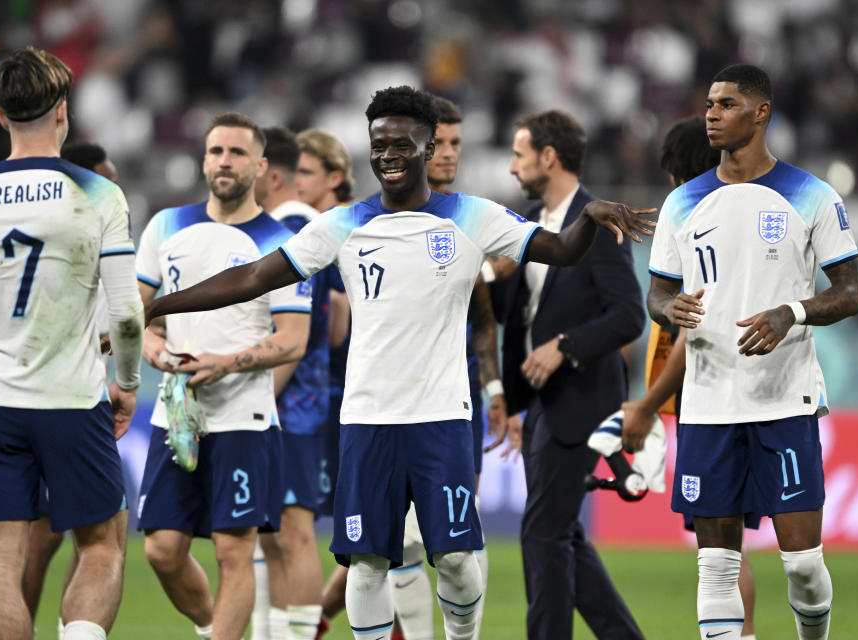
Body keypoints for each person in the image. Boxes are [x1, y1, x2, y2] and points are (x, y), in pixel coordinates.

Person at [143, 85, 653, 640]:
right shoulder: (343, 224)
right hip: (366, 421)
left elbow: (558, 250)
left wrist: (589, 221)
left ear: (429, 146)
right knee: (365, 564)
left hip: (441, 417)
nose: (387, 153)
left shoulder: (472, 217)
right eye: (378, 142)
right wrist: (160, 304)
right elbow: (251, 278)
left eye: (400, 142)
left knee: (456, 561)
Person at [0, 47, 143, 640]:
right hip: (72, 400)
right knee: (101, 547)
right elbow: (125, 315)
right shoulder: (98, 194)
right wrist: (126, 384)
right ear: (64, 112)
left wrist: (3, 323)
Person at [647, 64, 858, 640]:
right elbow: (659, 290)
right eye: (710, 104)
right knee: (715, 565)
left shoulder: (810, 194)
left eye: (726, 104)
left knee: (802, 565)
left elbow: (849, 293)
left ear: (760, 112)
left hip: (784, 400)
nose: (712, 114)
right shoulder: (683, 203)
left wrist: (788, 312)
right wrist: (667, 309)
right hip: (709, 404)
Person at [135, 112, 311, 640]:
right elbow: (137, 320)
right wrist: (154, 350)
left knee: (236, 552)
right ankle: (216, 626)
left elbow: (293, 338)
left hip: (245, 419)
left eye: (237, 153)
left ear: (260, 166)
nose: (224, 162)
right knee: (162, 550)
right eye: (216, 152)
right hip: (177, 417)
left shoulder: (282, 242)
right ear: (203, 159)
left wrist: (227, 362)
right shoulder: (165, 226)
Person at [498, 109, 646, 640]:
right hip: (541, 404)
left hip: (583, 401)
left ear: (548, 157)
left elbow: (629, 314)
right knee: (561, 535)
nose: (512, 167)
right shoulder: (529, 220)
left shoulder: (596, 221)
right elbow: (518, 313)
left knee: (542, 533)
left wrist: (565, 346)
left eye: (518, 155)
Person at [621, 116, 759, 640]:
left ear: (682, 174)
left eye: (673, 178)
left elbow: (690, 333)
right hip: (728, 404)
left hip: (720, 411)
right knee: (726, 549)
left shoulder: (703, 228)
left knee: (720, 551)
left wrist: (648, 402)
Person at [387, 94, 506, 640]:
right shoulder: (381, 219)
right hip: (388, 399)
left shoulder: (470, 221)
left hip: (453, 400)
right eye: (443, 142)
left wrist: (495, 387)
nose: (450, 154)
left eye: (458, 143)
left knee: (455, 540)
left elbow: (483, 321)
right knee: (401, 542)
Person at [21, 140, 122, 635]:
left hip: (11, 402)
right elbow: (112, 328)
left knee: (29, 545)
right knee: (103, 539)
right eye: (107, 180)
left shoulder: (31, 236)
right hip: (76, 404)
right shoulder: (90, 246)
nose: (115, 188)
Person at [252, 125, 330, 640]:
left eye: (251, 163)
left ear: (271, 173)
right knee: (275, 535)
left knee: (295, 532)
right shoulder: (284, 228)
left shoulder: (296, 230)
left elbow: (304, 330)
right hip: (288, 401)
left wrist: (260, 395)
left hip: (295, 404)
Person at [295, 126, 355, 636]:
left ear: (334, 177)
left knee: (345, 524)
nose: (294, 182)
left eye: (304, 172)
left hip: (336, 394)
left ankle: (309, 620)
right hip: (336, 394)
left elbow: (338, 324)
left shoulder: (334, 234)